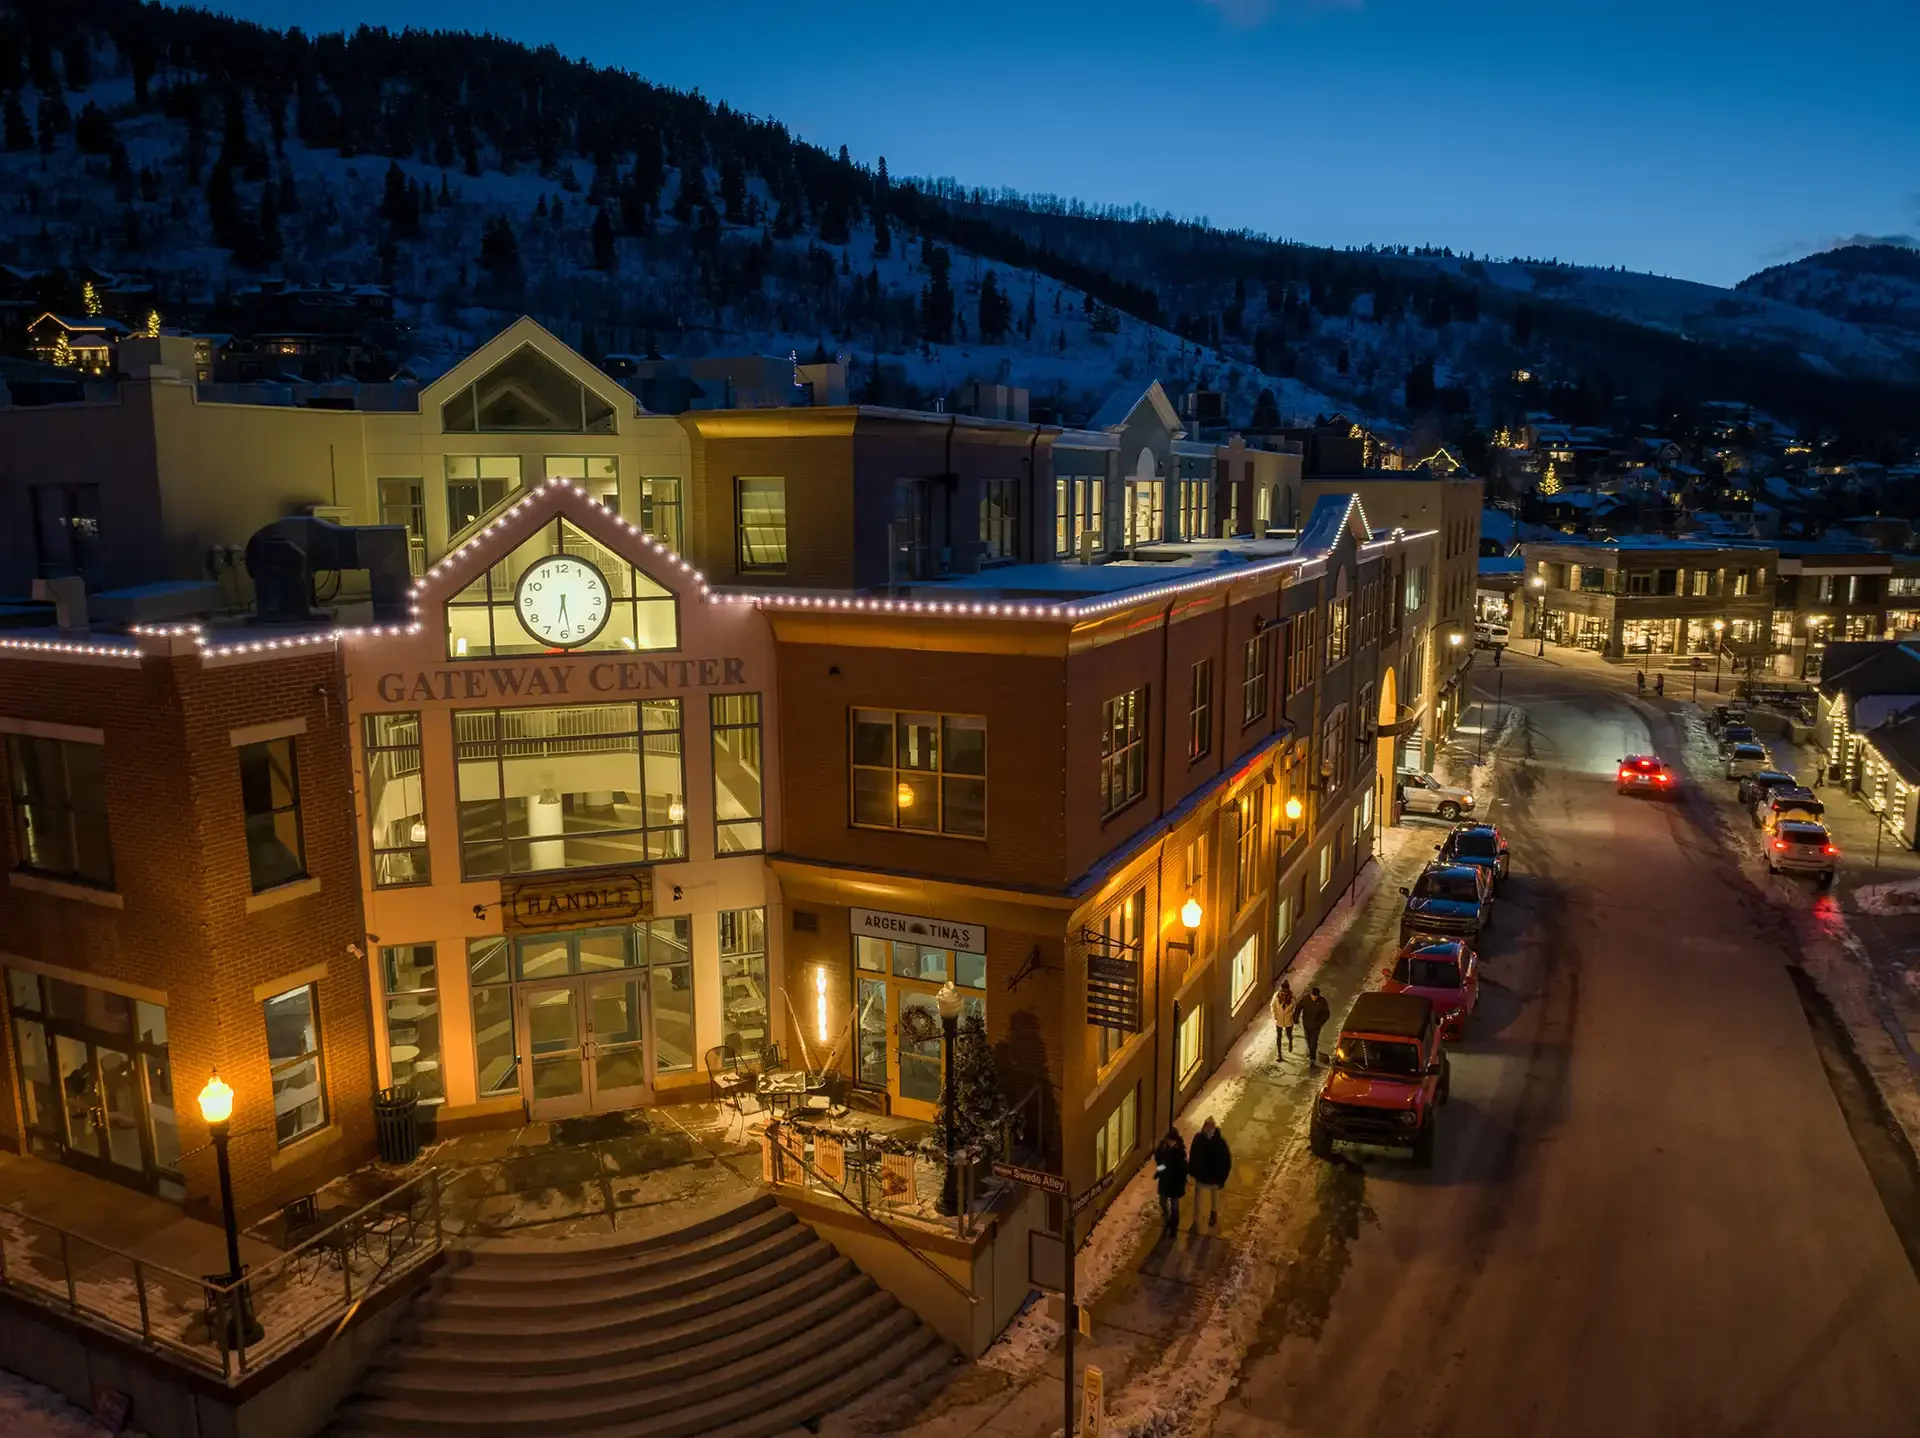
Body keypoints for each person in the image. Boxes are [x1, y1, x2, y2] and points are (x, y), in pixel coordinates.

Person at [1187, 1118, 1232, 1230]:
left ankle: (1213, 1214)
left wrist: (1222, 1178)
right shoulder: (1203, 1139)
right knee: (1199, 1197)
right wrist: (1192, 1171)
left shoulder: (1218, 1142)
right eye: (1207, 1128)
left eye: (1210, 1128)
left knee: (1212, 1195)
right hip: (1203, 1176)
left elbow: (1226, 1162)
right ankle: (1196, 1219)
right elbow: (1193, 1156)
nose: (1208, 1131)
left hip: (1212, 1177)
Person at [1153, 1129, 1188, 1236]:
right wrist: (1158, 1173)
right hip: (1165, 1182)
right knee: (1162, 1203)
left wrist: (1181, 1181)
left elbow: (1183, 1170)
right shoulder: (1165, 1150)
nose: (1167, 1142)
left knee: (1174, 1207)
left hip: (1175, 1184)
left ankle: (1173, 1227)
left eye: (1168, 1140)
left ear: (1174, 1141)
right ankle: (1168, 1221)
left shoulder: (1180, 1154)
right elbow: (1162, 1164)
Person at [1298, 985, 1332, 1066]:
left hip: (1316, 1027)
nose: (1314, 998)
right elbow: (1299, 1007)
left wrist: (1320, 1023)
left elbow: (1326, 1014)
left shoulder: (1322, 1002)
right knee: (1308, 1040)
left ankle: (1312, 1059)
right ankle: (1310, 1051)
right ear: (1310, 995)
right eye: (1313, 996)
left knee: (1313, 1042)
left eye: (1316, 997)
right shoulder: (1305, 999)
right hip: (1306, 1024)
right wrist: (1295, 1017)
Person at [1270, 977, 1297, 1057]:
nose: (1285, 994)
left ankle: (1290, 1042)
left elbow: (1295, 1008)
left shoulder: (1292, 997)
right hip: (1279, 1020)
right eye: (1283, 991)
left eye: (1286, 992)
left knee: (1289, 1035)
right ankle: (1279, 1054)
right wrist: (1275, 1015)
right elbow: (1272, 1006)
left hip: (1289, 1020)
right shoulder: (1276, 996)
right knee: (1279, 1036)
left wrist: (1293, 1016)